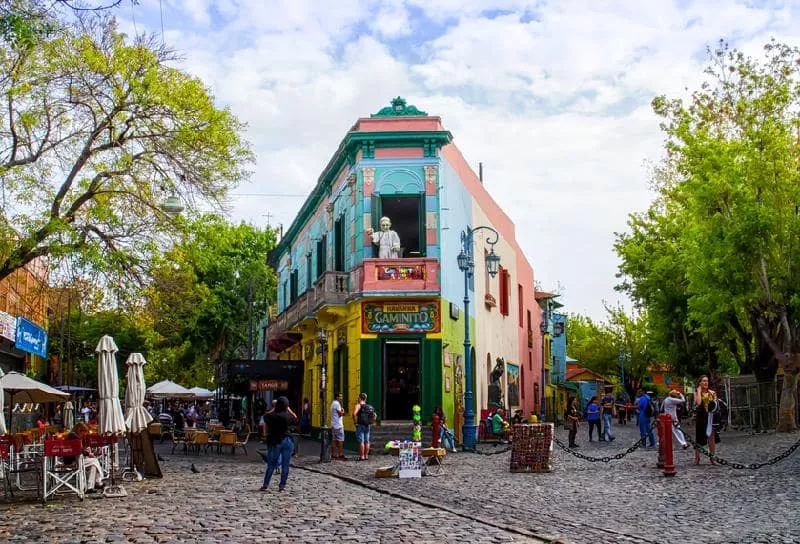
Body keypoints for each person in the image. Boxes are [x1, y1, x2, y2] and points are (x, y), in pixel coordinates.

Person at [260, 396, 295, 492]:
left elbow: (265, 416)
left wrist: (274, 409)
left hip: (275, 441)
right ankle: (282, 485)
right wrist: (289, 409)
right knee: (285, 465)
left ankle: (266, 484)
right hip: (287, 440)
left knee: (271, 464)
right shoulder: (288, 417)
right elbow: (295, 418)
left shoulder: (272, 416)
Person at [64, 423, 105, 492]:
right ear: (80, 431)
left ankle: (90, 487)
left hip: (76, 459)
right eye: (83, 433)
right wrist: (88, 453)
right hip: (73, 461)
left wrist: (86, 452)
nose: (83, 436)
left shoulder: (72, 436)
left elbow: (79, 450)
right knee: (94, 460)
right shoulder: (74, 437)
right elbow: (78, 450)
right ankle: (98, 481)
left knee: (93, 466)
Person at [694, 375, 717, 465]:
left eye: (706, 381)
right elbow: (699, 403)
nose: (705, 383)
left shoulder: (712, 393)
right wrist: (699, 391)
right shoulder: (697, 393)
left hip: (710, 417)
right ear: (700, 383)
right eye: (703, 381)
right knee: (699, 438)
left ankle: (712, 458)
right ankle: (697, 458)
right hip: (701, 417)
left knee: (711, 438)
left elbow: (715, 405)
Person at [353, 393, 376, 461]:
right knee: (367, 441)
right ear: (365, 399)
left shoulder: (358, 405)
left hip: (360, 425)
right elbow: (375, 415)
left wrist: (355, 423)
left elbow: (354, 414)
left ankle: (362, 456)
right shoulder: (369, 407)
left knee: (361, 441)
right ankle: (366, 456)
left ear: (359, 398)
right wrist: (372, 422)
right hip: (367, 425)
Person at [330, 392, 347, 461]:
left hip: (334, 424)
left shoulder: (333, 403)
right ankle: (340, 454)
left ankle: (334, 454)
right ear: (337, 397)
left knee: (334, 440)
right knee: (340, 440)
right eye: (340, 396)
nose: (341, 398)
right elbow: (341, 414)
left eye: (341, 396)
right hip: (338, 425)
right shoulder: (337, 404)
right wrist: (343, 411)